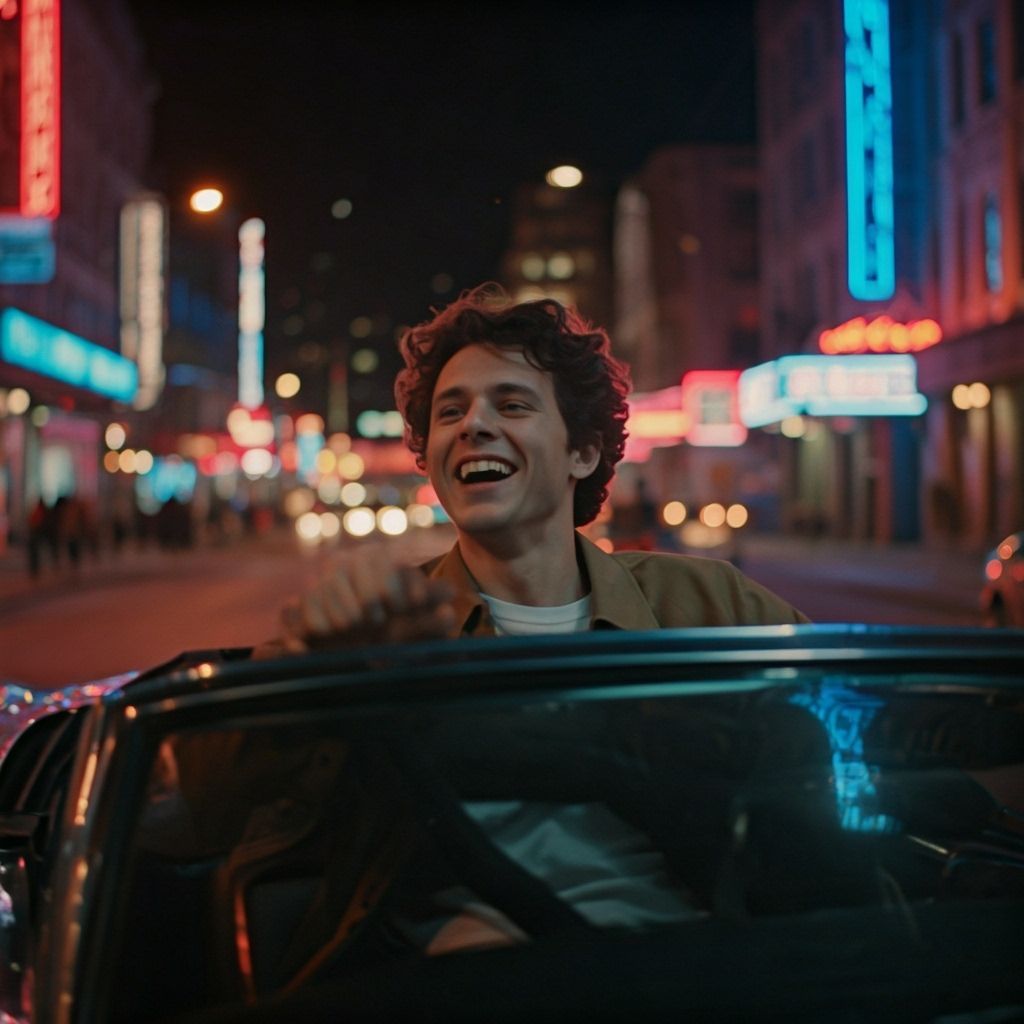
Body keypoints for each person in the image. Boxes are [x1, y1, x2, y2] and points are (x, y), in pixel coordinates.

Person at [261, 283, 807, 658]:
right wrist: (313, 671)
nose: (473, 425)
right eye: (450, 411)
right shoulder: (380, 624)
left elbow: (854, 725)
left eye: (513, 405)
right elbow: (222, 791)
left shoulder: (712, 607)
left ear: (584, 452)